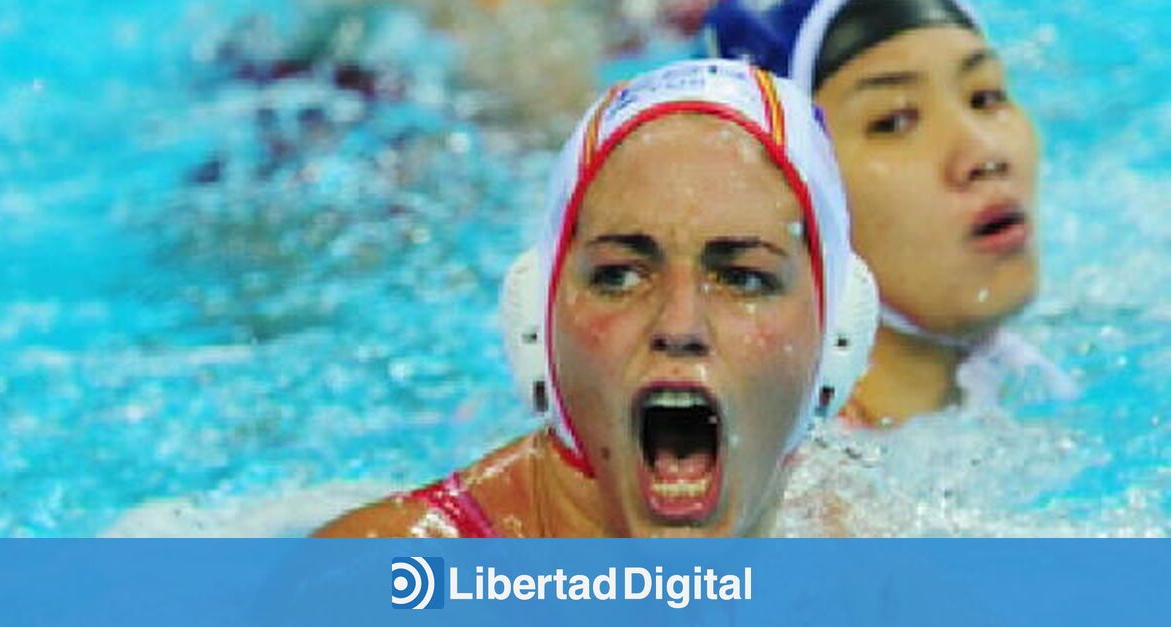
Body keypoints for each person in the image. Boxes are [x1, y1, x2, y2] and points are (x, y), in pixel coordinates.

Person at [314, 59, 875, 537]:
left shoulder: (875, 569)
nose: (680, 324)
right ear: (536, 328)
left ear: (836, 338)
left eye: (744, 279)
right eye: (620, 276)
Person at [702, 0, 1076, 428]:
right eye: (894, 121)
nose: (984, 154)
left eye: (985, 97)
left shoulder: (1037, 383)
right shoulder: (800, 485)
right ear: (786, 197)